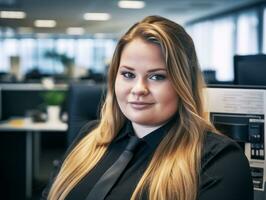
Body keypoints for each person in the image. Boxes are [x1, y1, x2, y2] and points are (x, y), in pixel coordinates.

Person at [42, 15, 253, 200]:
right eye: (128, 74)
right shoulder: (88, 137)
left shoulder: (217, 161)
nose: (139, 89)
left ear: (183, 84)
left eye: (156, 76)